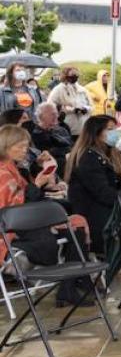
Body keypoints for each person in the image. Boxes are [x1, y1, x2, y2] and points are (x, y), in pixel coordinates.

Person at [0, 125, 93, 307]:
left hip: (30, 225)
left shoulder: (14, 169)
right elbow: (15, 209)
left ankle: (69, 288)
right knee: (73, 226)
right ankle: (74, 284)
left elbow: (26, 198)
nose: (24, 150)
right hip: (15, 233)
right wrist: (37, 184)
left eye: (25, 146)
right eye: (19, 146)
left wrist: (38, 178)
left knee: (77, 229)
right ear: (5, 146)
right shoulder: (3, 174)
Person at [65, 115, 121, 256]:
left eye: (115, 128)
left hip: (110, 208)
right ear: (96, 132)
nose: (115, 132)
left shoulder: (110, 152)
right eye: (110, 129)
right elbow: (103, 193)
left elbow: (119, 180)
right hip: (95, 215)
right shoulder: (87, 157)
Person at [47, 66, 92, 138]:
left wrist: (85, 109)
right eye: (72, 75)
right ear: (66, 76)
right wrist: (71, 109)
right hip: (67, 125)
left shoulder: (82, 90)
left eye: (76, 75)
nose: (75, 77)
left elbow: (90, 104)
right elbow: (50, 105)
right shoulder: (58, 89)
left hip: (82, 126)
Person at [31, 102, 73, 175]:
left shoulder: (62, 129)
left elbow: (72, 145)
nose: (56, 116)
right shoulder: (36, 133)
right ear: (41, 116)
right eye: (53, 114)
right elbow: (46, 153)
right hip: (56, 166)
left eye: (56, 113)